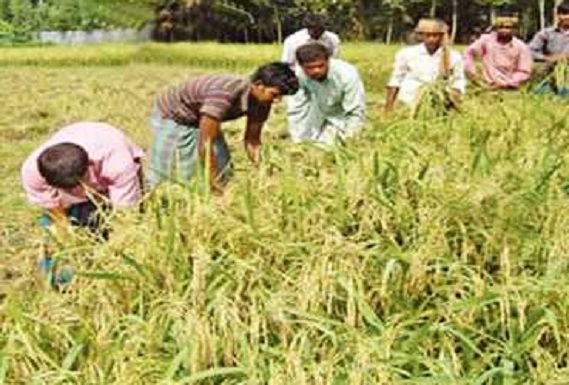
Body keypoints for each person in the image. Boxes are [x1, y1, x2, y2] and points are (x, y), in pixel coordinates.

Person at [21, 122, 144, 289]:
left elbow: (125, 217)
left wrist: (114, 257)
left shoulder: (118, 163)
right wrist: (70, 246)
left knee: (117, 232)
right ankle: (58, 284)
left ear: (90, 166)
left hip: (110, 163)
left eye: (80, 185)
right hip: (77, 167)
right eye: (69, 189)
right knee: (55, 237)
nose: (78, 191)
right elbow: (55, 213)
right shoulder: (32, 173)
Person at [148, 62, 299, 191]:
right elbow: (206, 145)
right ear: (259, 85)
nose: (277, 101)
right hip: (175, 114)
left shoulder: (263, 102)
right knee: (167, 170)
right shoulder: (224, 93)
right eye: (275, 94)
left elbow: (252, 141)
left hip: (204, 116)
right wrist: (215, 187)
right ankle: (154, 199)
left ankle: (216, 190)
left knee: (222, 167)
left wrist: (264, 173)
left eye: (281, 97)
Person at [287, 43, 365, 145]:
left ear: (328, 61)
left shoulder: (347, 74)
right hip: (317, 112)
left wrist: (351, 139)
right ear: (301, 66)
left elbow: (355, 111)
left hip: (341, 115)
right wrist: (298, 140)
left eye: (320, 66)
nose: (316, 71)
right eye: (310, 67)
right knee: (308, 143)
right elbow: (297, 108)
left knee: (329, 146)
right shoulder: (299, 75)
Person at [385, 18, 466, 111]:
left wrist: (455, 98)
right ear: (421, 36)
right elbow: (396, 79)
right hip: (408, 103)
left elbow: (458, 80)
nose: (431, 39)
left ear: (442, 36)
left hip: (440, 105)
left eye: (435, 35)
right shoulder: (406, 53)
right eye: (427, 35)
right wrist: (388, 108)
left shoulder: (454, 57)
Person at [464, 16, 533, 90]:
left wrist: (508, 83)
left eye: (508, 27)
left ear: (514, 30)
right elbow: (468, 53)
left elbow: (524, 71)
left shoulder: (521, 47)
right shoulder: (486, 40)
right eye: (500, 27)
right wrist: (473, 73)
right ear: (496, 29)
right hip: (485, 84)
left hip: (509, 86)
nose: (504, 30)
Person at [529, 2, 569, 94]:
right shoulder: (546, 33)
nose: (567, 17)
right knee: (540, 91)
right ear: (558, 15)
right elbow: (530, 51)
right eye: (564, 14)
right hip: (551, 71)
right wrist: (548, 58)